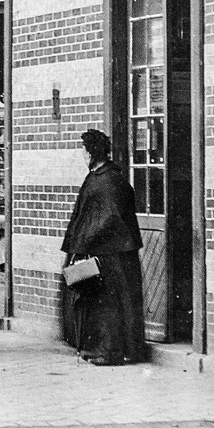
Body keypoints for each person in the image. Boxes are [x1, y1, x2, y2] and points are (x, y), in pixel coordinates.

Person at [62, 129, 147, 366]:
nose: (81, 154)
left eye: (83, 149)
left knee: (110, 304)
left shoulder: (107, 181)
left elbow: (107, 219)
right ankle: (99, 347)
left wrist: (84, 244)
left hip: (112, 254)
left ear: (91, 153)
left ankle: (111, 352)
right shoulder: (100, 177)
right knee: (102, 303)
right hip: (105, 251)